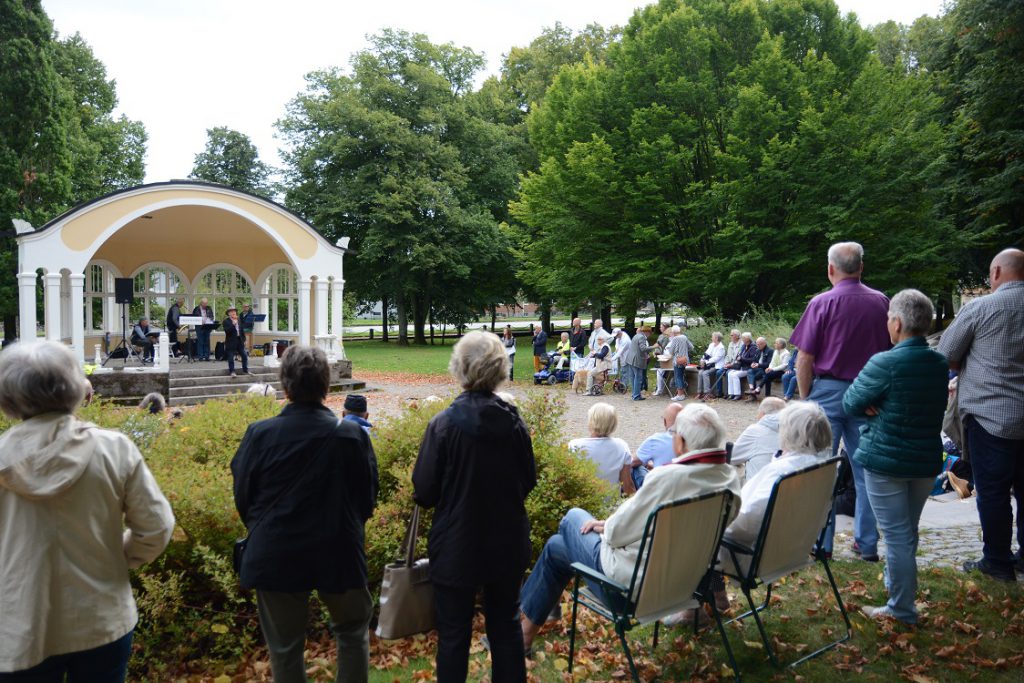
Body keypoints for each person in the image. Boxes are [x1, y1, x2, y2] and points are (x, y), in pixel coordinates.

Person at [0, 341, 175, 679]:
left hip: (18, 623)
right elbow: (157, 527)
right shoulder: (114, 449)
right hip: (102, 618)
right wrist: (118, 558)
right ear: (75, 386)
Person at [517, 403, 742, 652]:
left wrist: (607, 526)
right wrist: (610, 526)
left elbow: (616, 534)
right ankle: (522, 636)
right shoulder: (728, 479)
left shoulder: (667, 479)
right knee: (556, 547)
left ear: (681, 441)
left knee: (573, 518)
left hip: (632, 593)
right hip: (687, 585)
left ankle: (519, 621)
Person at [232, 345, 378, 683]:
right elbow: (366, 498)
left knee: (284, 647)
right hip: (339, 547)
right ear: (326, 387)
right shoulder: (353, 435)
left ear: (285, 386)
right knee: (353, 632)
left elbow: (244, 496)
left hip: (276, 550)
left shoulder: (260, 435)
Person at [412, 331, 536, 683]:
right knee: (506, 626)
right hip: (507, 541)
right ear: (500, 369)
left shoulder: (443, 425)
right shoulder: (514, 423)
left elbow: (424, 491)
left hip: (457, 543)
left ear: (460, 368)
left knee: (453, 635)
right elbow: (527, 480)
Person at [843, 289, 948, 623]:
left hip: (887, 461)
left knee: (898, 535)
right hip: (924, 460)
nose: (887, 323)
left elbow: (850, 402)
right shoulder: (938, 361)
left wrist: (875, 404)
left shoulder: (885, 362)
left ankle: (902, 607)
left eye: (889, 317)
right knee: (908, 531)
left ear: (898, 322)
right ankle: (897, 584)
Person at [790, 241, 890, 561]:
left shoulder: (821, 303)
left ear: (831, 269)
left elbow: (804, 358)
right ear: (861, 267)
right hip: (868, 393)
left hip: (828, 392)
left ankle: (821, 544)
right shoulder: (882, 303)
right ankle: (867, 544)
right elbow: (891, 356)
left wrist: (807, 399)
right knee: (868, 472)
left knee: (820, 470)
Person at [937, 248, 1024, 582]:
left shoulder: (982, 308)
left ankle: (997, 562)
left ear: (997, 272)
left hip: (992, 416)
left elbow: (945, 354)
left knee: (993, 491)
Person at [723, 401, 833, 547]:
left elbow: (743, 527)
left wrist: (718, 525)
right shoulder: (826, 467)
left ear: (788, 434)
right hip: (795, 547)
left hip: (750, 553)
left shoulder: (783, 472)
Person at [568, 402, 634, 493]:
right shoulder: (621, 446)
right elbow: (628, 486)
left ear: (591, 421)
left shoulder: (575, 446)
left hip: (582, 502)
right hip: (612, 504)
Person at [630, 402, 685, 489]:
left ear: (664, 421)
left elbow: (631, 462)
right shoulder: (693, 439)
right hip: (685, 487)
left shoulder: (656, 440)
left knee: (636, 468)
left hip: (661, 491)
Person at [730, 397, 786, 481]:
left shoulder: (755, 431)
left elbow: (731, 457)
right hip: (785, 488)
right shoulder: (795, 432)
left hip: (759, 490)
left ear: (762, 413)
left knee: (734, 467)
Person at [621, 325, 651, 401]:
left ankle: (634, 394)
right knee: (638, 378)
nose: (649, 335)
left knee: (633, 378)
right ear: (647, 332)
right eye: (649, 333)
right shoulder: (642, 337)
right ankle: (636, 396)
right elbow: (643, 348)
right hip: (636, 360)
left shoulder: (636, 335)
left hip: (630, 359)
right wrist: (654, 347)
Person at [666, 325, 694, 402]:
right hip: (685, 360)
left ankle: (680, 395)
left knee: (678, 377)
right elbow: (691, 347)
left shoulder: (675, 339)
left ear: (674, 332)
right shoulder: (684, 337)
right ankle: (681, 394)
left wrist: (677, 351)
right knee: (681, 376)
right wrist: (684, 350)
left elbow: (671, 351)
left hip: (677, 360)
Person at [696, 332, 726, 401]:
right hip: (708, 365)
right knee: (700, 372)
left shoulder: (721, 347)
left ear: (716, 338)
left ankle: (707, 393)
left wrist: (705, 362)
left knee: (705, 373)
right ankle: (700, 392)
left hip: (716, 366)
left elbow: (716, 358)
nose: (711, 338)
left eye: (712, 337)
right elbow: (706, 354)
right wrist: (702, 360)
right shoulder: (711, 345)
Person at [725, 333, 756, 400]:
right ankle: (731, 393)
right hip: (741, 367)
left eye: (743, 338)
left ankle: (737, 394)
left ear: (748, 339)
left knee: (734, 375)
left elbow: (752, 360)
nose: (742, 339)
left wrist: (742, 359)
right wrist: (738, 358)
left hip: (747, 368)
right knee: (730, 374)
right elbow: (740, 355)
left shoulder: (753, 347)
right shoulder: (743, 346)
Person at [714, 330, 742, 398]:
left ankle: (727, 393)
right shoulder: (730, 344)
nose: (730, 336)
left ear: (737, 336)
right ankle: (719, 392)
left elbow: (740, 358)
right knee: (718, 372)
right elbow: (727, 356)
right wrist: (726, 363)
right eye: (730, 335)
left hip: (736, 365)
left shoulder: (742, 344)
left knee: (727, 373)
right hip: (729, 364)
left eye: (732, 335)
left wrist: (731, 364)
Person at [222, 307, 249, 377]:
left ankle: (245, 370)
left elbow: (241, 330)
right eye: (231, 312)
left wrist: (244, 340)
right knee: (231, 357)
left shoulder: (239, 320)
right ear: (228, 314)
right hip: (230, 342)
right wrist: (233, 324)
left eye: (234, 311)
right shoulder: (226, 321)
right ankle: (232, 371)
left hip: (239, 340)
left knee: (244, 355)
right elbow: (227, 331)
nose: (233, 313)